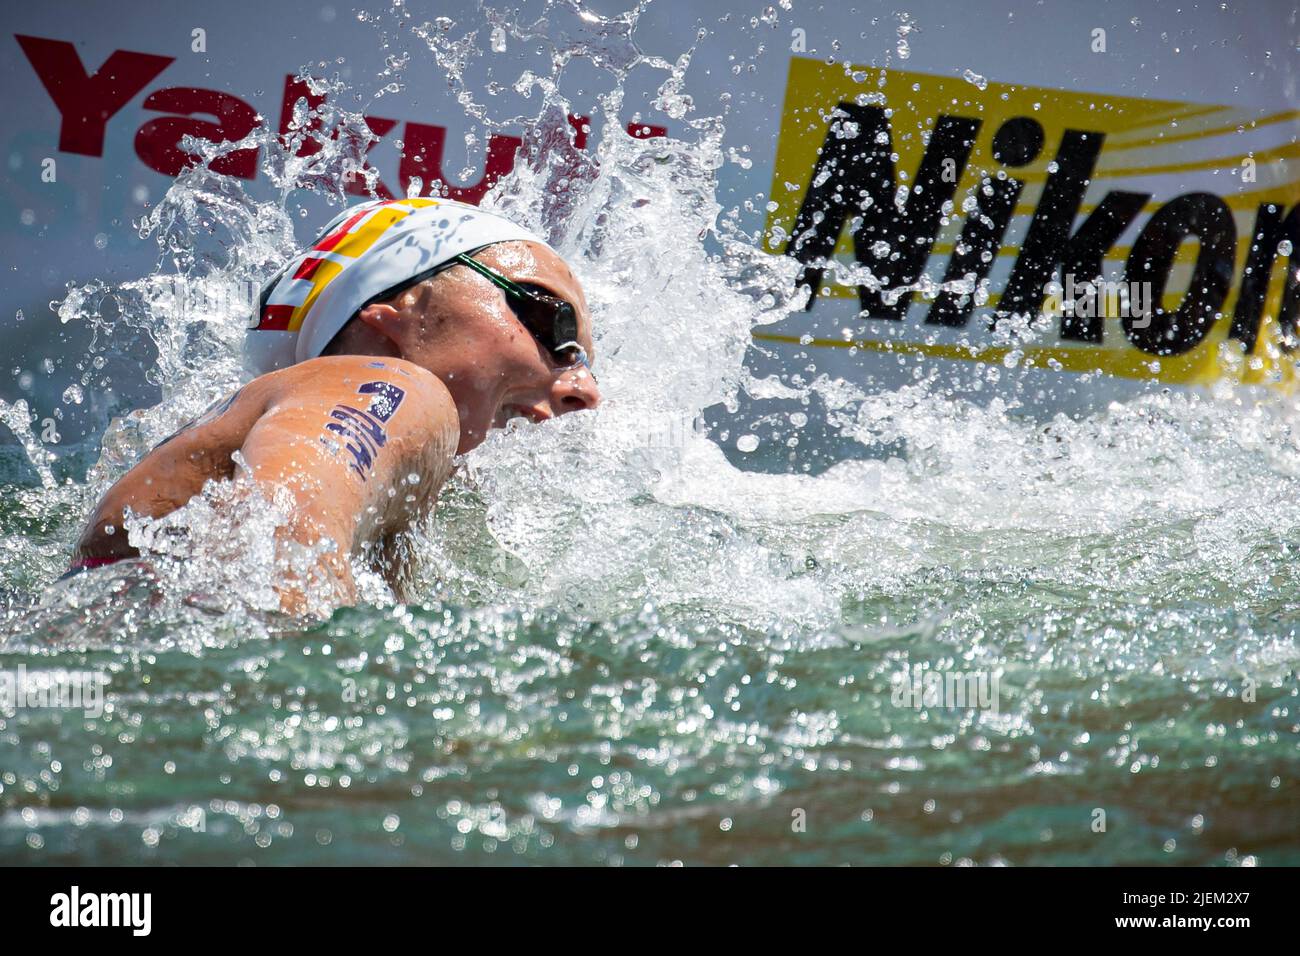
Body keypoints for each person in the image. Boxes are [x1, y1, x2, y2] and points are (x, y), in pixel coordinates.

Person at [66, 197, 601, 610]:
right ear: (399, 310)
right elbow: (273, 547)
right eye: (552, 323)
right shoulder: (390, 385)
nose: (586, 388)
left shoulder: (361, 470)